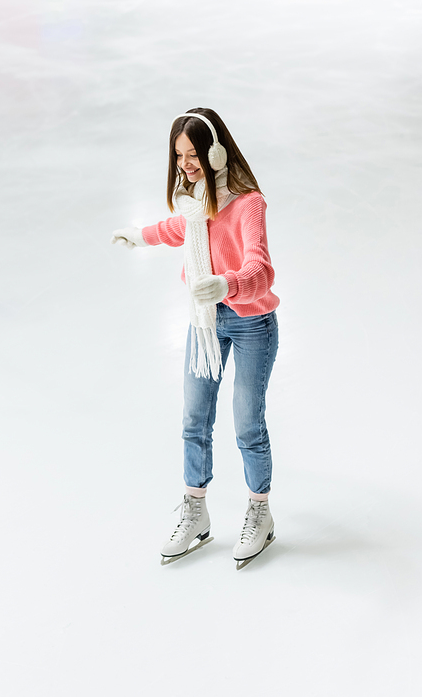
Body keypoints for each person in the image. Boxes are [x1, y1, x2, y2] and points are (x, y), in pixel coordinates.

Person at [111, 108, 279, 566]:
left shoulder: (248, 203)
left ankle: (259, 513)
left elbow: (261, 269)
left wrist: (228, 284)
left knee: (247, 424)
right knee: (193, 419)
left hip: (250, 323)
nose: (186, 163)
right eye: (179, 155)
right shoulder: (193, 202)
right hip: (205, 322)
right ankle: (196, 512)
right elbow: (176, 229)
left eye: (195, 153)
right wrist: (138, 235)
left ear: (217, 151)